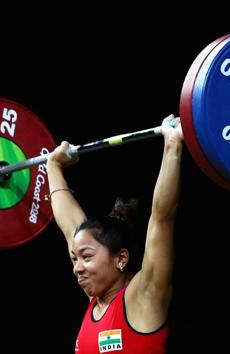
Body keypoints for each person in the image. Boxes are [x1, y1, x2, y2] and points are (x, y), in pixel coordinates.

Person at [47, 114, 183, 354]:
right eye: (74, 259)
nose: (77, 267)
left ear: (121, 258)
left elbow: (162, 218)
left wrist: (172, 144)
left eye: (86, 257)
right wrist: (53, 166)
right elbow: (70, 227)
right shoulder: (96, 303)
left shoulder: (144, 296)